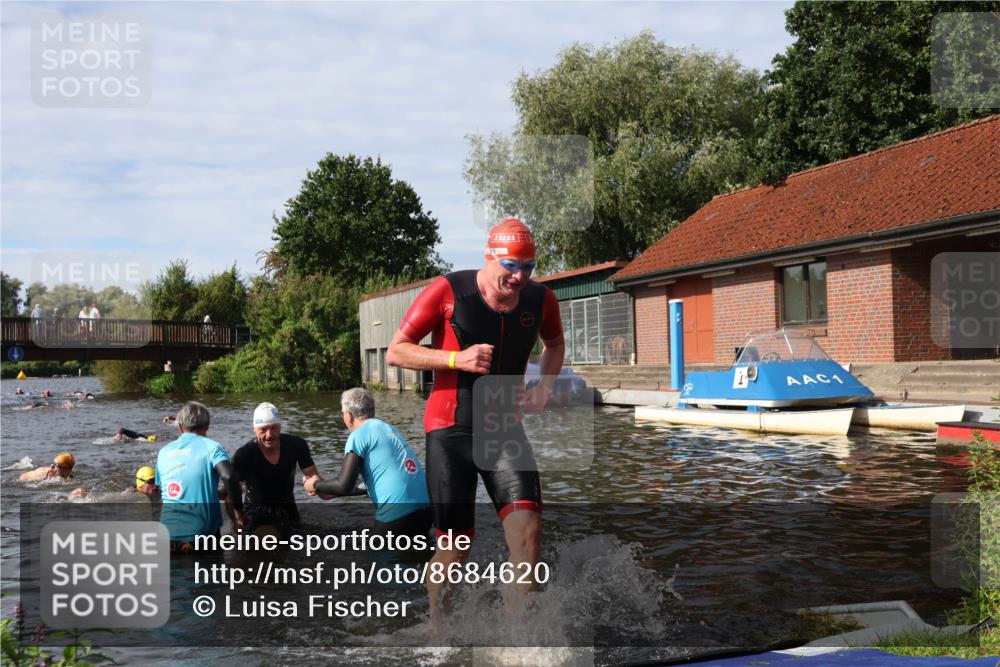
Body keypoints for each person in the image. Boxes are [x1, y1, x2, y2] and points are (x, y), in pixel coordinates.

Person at [386, 217, 565, 626]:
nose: (519, 277)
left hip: (504, 429)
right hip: (450, 431)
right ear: (489, 256)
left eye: (528, 267)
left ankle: (517, 635)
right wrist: (455, 359)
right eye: (510, 266)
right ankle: (439, 630)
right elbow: (397, 351)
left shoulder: (540, 300)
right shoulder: (449, 290)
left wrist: (544, 387)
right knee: (456, 547)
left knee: (528, 529)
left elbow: (554, 344)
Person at [304, 388, 431, 541]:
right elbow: (375, 481)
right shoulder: (389, 429)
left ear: (348, 415)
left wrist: (315, 484)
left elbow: (343, 485)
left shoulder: (358, 435)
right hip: (426, 509)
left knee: (376, 560)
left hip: (397, 513)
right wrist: (331, 490)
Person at [154, 402, 245, 551]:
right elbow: (229, 477)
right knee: (209, 573)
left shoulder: (164, 451)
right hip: (201, 535)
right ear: (207, 426)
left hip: (166, 535)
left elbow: (170, 491)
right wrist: (239, 514)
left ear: (180, 427)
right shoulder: (212, 447)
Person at [231, 402, 323, 538]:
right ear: (255, 429)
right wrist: (238, 517)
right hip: (256, 513)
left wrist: (318, 487)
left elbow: (313, 475)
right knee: (270, 541)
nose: (269, 435)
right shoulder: (244, 455)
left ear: (280, 427)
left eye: (274, 428)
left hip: (288, 509)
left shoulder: (296, 444)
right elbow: (231, 492)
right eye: (263, 429)